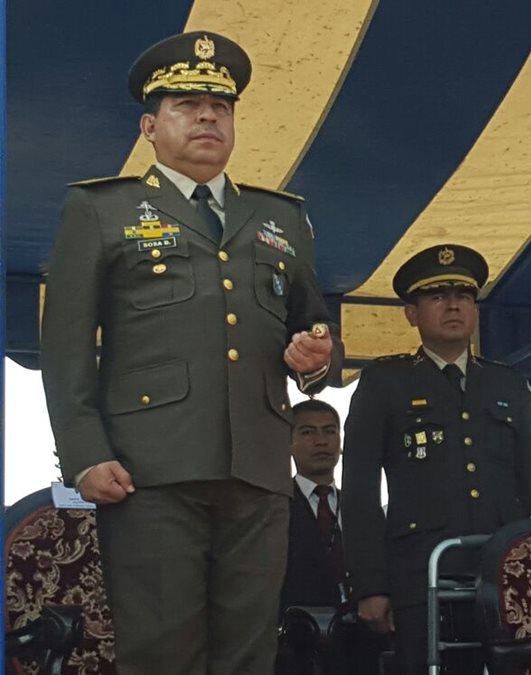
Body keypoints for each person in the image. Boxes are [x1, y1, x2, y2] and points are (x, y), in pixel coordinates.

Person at [40, 31, 341, 675]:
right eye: (187, 105)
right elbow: (65, 345)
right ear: (150, 126)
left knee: (250, 652)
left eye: (220, 108)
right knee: (161, 652)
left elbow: (315, 329)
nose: (208, 117)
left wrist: (317, 359)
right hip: (149, 469)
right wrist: (84, 453)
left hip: (258, 470)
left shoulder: (282, 218)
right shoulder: (102, 209)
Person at [341, 244, 531, 675]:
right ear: (411, 314)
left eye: (463, 296)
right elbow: (359, 490)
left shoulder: (508, 383)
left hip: (506, 566)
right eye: (437, 296)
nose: (453, 305)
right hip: (419, 570)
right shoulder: (385, 381)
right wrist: (370, 585)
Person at [281, 399, 349, 615]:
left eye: (330, 431)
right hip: (294, 624)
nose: (321, 441)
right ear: (288, 442)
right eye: (308, 433)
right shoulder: (275, 507)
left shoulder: (358, 506)